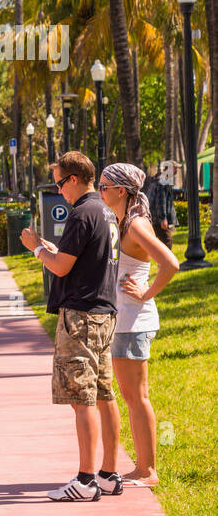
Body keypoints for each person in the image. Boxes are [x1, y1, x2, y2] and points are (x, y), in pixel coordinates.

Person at [20, 152, 120, 502]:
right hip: (104, 312)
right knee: (105, 395)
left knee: (82, 399)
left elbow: (61, 268)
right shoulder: (105, 212)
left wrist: (36, 250)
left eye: (61, 182)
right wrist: (51, 248)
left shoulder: (81, 213)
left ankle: (86, 479)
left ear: (75, 178)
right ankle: (108, 474)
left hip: (80, 316)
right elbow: (80, 259)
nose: (59, 190)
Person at [99, 163, 179, 487]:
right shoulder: (122, 222)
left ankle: (148, 470)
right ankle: (142, 468)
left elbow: (170, 263)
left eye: (103, 187)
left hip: (132, 321)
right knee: (132, 395)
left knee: (136, 396)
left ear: (121, 191)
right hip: (124, 320)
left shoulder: (135, 225)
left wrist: (146, 293)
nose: (99, 192)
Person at [144, 172, 177, 246]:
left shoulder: (155, 182)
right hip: (157, 219)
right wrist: (163, 219)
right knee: (167, 239)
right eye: (174, 169)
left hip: (152, 217)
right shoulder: (162, 183)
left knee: (152, 239)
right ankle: (165, 257)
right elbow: (161, 202)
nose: (175, 172)